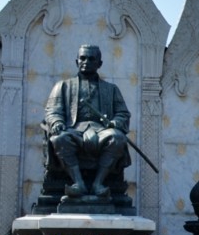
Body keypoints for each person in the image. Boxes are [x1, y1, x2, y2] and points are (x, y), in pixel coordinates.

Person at [43, 44, 132, 198]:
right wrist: (57, 122)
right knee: (59, 138)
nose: (86, 62)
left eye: (91, 59)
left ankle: (98, 183)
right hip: (74, 130)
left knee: (118, 138)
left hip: (102, 131)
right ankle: (78, 183)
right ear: (77, 61)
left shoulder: (111, 89)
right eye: (83, 58)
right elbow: (52, 111)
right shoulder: (63, 86)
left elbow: (123, 113)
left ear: (99, 63)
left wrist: (116, 122)